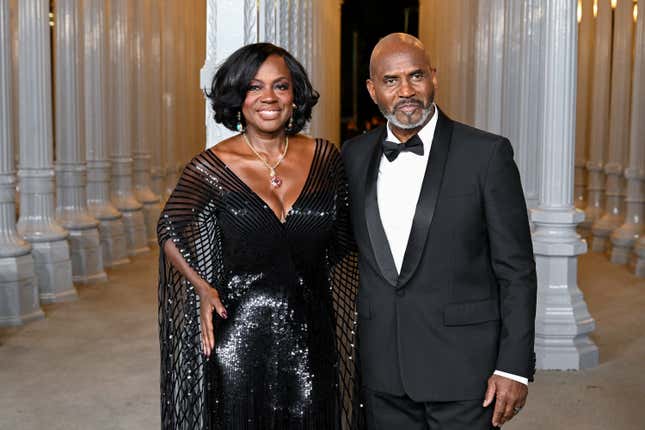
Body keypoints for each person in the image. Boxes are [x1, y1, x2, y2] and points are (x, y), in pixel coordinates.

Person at [157, 43, 363, 430]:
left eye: (280, 86)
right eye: (255, 87)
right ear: (238, 98)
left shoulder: (325, 156)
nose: (269, 97)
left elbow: (346, 237)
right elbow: (170, 227)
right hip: (239, 337)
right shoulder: (212, 166)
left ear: (294, 96)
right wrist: (202, 286)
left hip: (311, 332)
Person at [341, 33, 537, 429]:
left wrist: (513, 367)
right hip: (383, 369)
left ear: (434, 78)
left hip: (466, 371)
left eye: (416, 76)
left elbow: (516, 270)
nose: (406, 91)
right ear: (372, 89)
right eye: (391, 80)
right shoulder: (353, 155)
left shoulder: (487, 154)